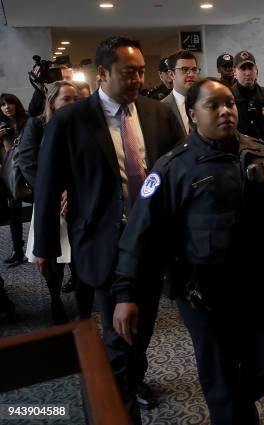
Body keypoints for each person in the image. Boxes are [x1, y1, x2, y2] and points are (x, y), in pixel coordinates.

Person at [111, 77, 264, 425]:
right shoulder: (172, 168)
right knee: (221, 380)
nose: (226, 111)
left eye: (229, 103)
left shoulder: (261, 153)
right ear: (192, 114)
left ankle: (237, 404)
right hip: (204, 294)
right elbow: (140, 236)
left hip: (260, 282)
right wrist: (126, 294)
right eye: (213, 105)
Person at [32, 36, 184, 424]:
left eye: (140, 71)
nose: (137, 79)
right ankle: (119, 406)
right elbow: (48, 188)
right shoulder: (71, 120)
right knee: (120, 336)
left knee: (141, 326)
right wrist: (45, 249)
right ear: (102, 74)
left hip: (150, 241)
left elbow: (178, 171)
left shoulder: (156, 113)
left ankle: (131, 377)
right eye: (127, 72)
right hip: (103, 242)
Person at [19, 81, 79, 324]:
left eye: (76, 99)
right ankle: (55, 300)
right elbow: (28, 163)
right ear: (52, 102)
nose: (72, 104)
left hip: (77, 201)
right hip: (50, 203)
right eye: (66, 99)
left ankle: (81, 297)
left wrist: (74, 190)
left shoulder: (83, 125)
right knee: (52, 256)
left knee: (77, 253)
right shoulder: (37, 124)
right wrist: (56, 191)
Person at [0, 93, 29, 267]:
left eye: (9, 103)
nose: (6, 107)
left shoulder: (27, 122)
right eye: (3, 105)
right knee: (14, 213)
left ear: (16, 105)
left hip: (28, 171)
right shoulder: (1, 126)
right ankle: (18, 250)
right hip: (10, 176)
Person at [232, 50, 264, 143]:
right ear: (234, 72)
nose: (248, 73)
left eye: (250, 68)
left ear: (256, 70)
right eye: (243, 68)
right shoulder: (227, 97)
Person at [162, 50, 200, 134]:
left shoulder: (207, 100)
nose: (191, 74)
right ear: (171, 74)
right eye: (184, 69)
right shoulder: (161, 108)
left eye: (194, 69)